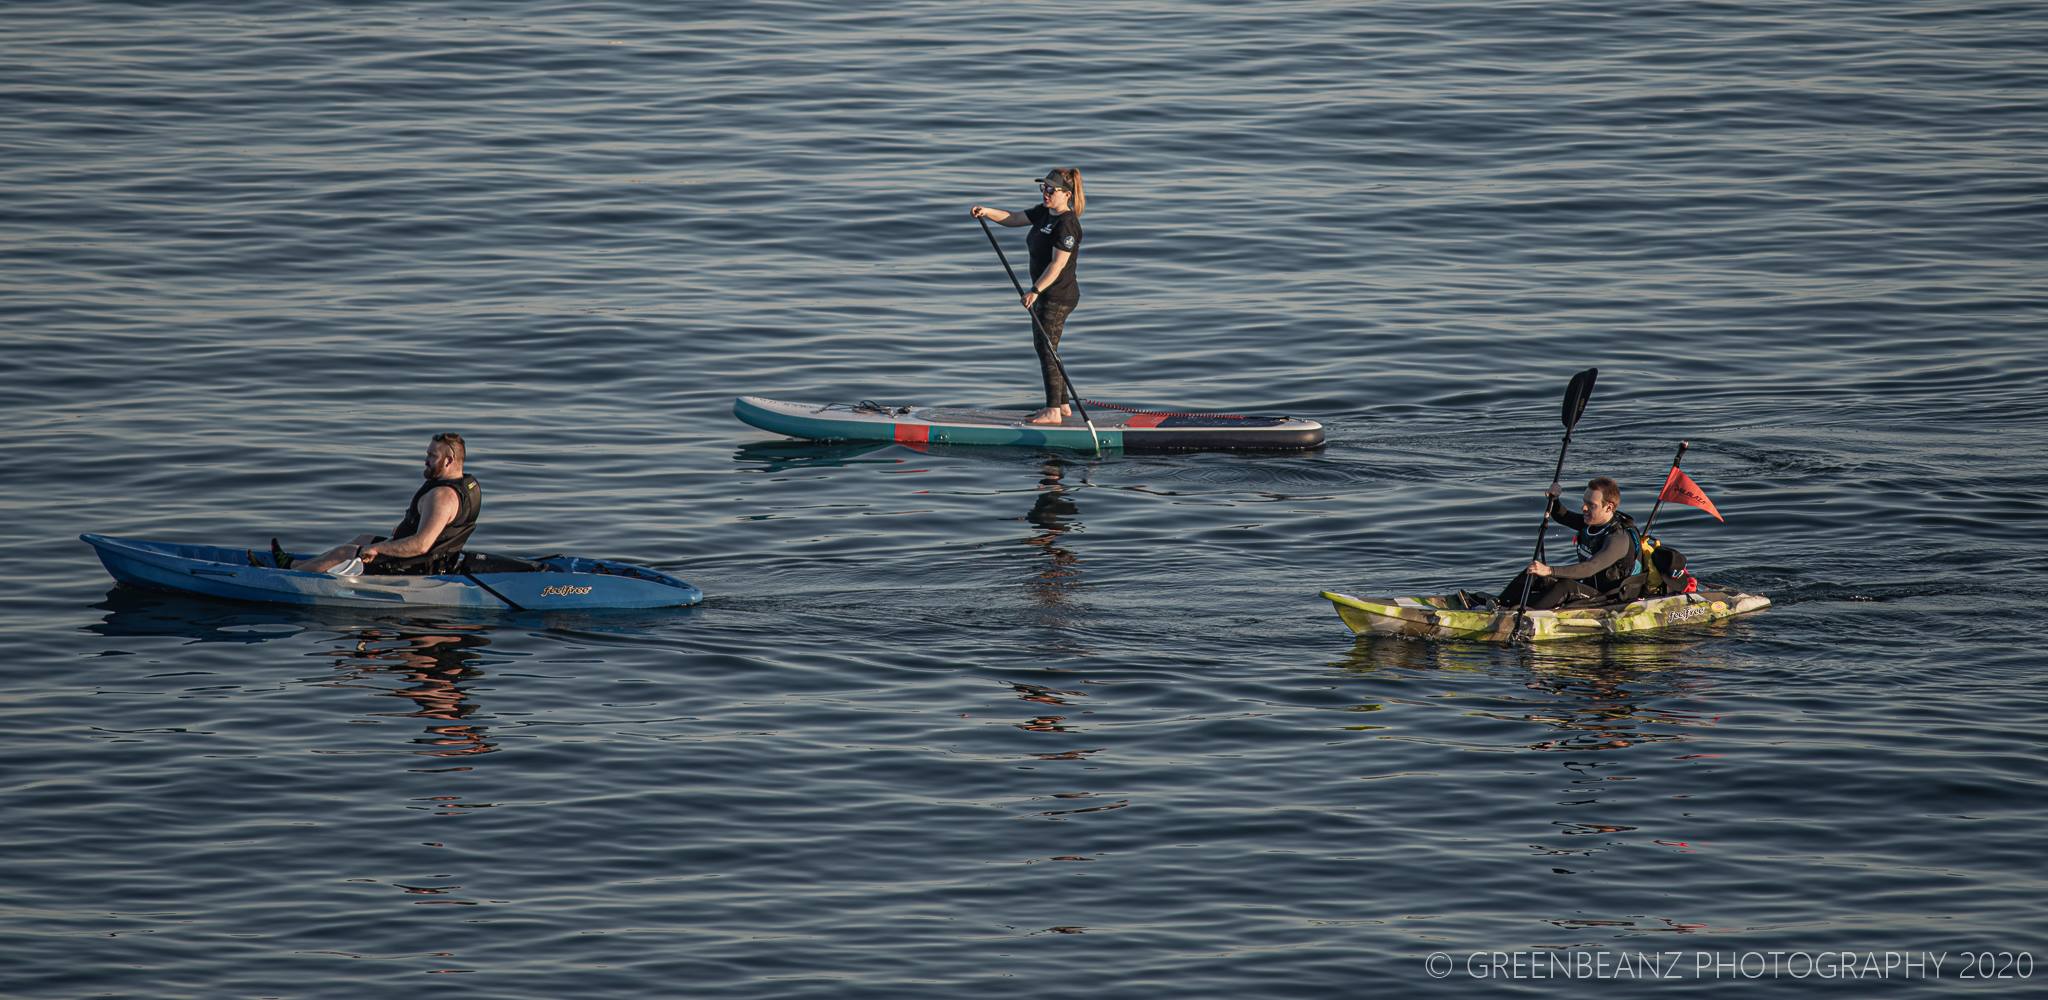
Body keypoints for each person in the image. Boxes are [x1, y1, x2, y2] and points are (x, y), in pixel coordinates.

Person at [969, 167, 1085, 425]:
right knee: (1048, 346)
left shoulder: (1067, 224)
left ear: (1066, 194)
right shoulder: (1044, 214)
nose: (1045, 193)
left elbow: (1057, 266)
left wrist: (1035, 290)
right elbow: (1012, 218)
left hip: (1058, 296)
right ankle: (1063, 405)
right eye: (1043, 187)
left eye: (1050, 189)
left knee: (1045, 347)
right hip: (1047, 294)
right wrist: (987, 212)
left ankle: (1052, 411)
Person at [282, 433, 482, 575]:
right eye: (427, 454)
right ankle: (298, 565)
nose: (425, 460)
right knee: (364, 538)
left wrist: (378, 550)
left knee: (347, 552)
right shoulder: (467, 485)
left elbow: (422, 545)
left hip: (415, 565)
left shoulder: (441, 496)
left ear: (448, 460)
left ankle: (291, 577)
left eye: (432, 456)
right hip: (436, 558)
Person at [1494, 476, 1640, 609]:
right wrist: (1555, 499)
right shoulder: (1590, 523)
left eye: (1591, 505)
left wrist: (1550, 570)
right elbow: (1562, 515)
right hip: (1587, 586)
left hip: (1608, 597)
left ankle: (1522, 612)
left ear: (1609, 507)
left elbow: (1589, 568)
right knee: (1534, 573)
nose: (1584, 508)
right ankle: (1498, 603)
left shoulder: (1618, 538)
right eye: (1584, 502)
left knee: (1565, 586)